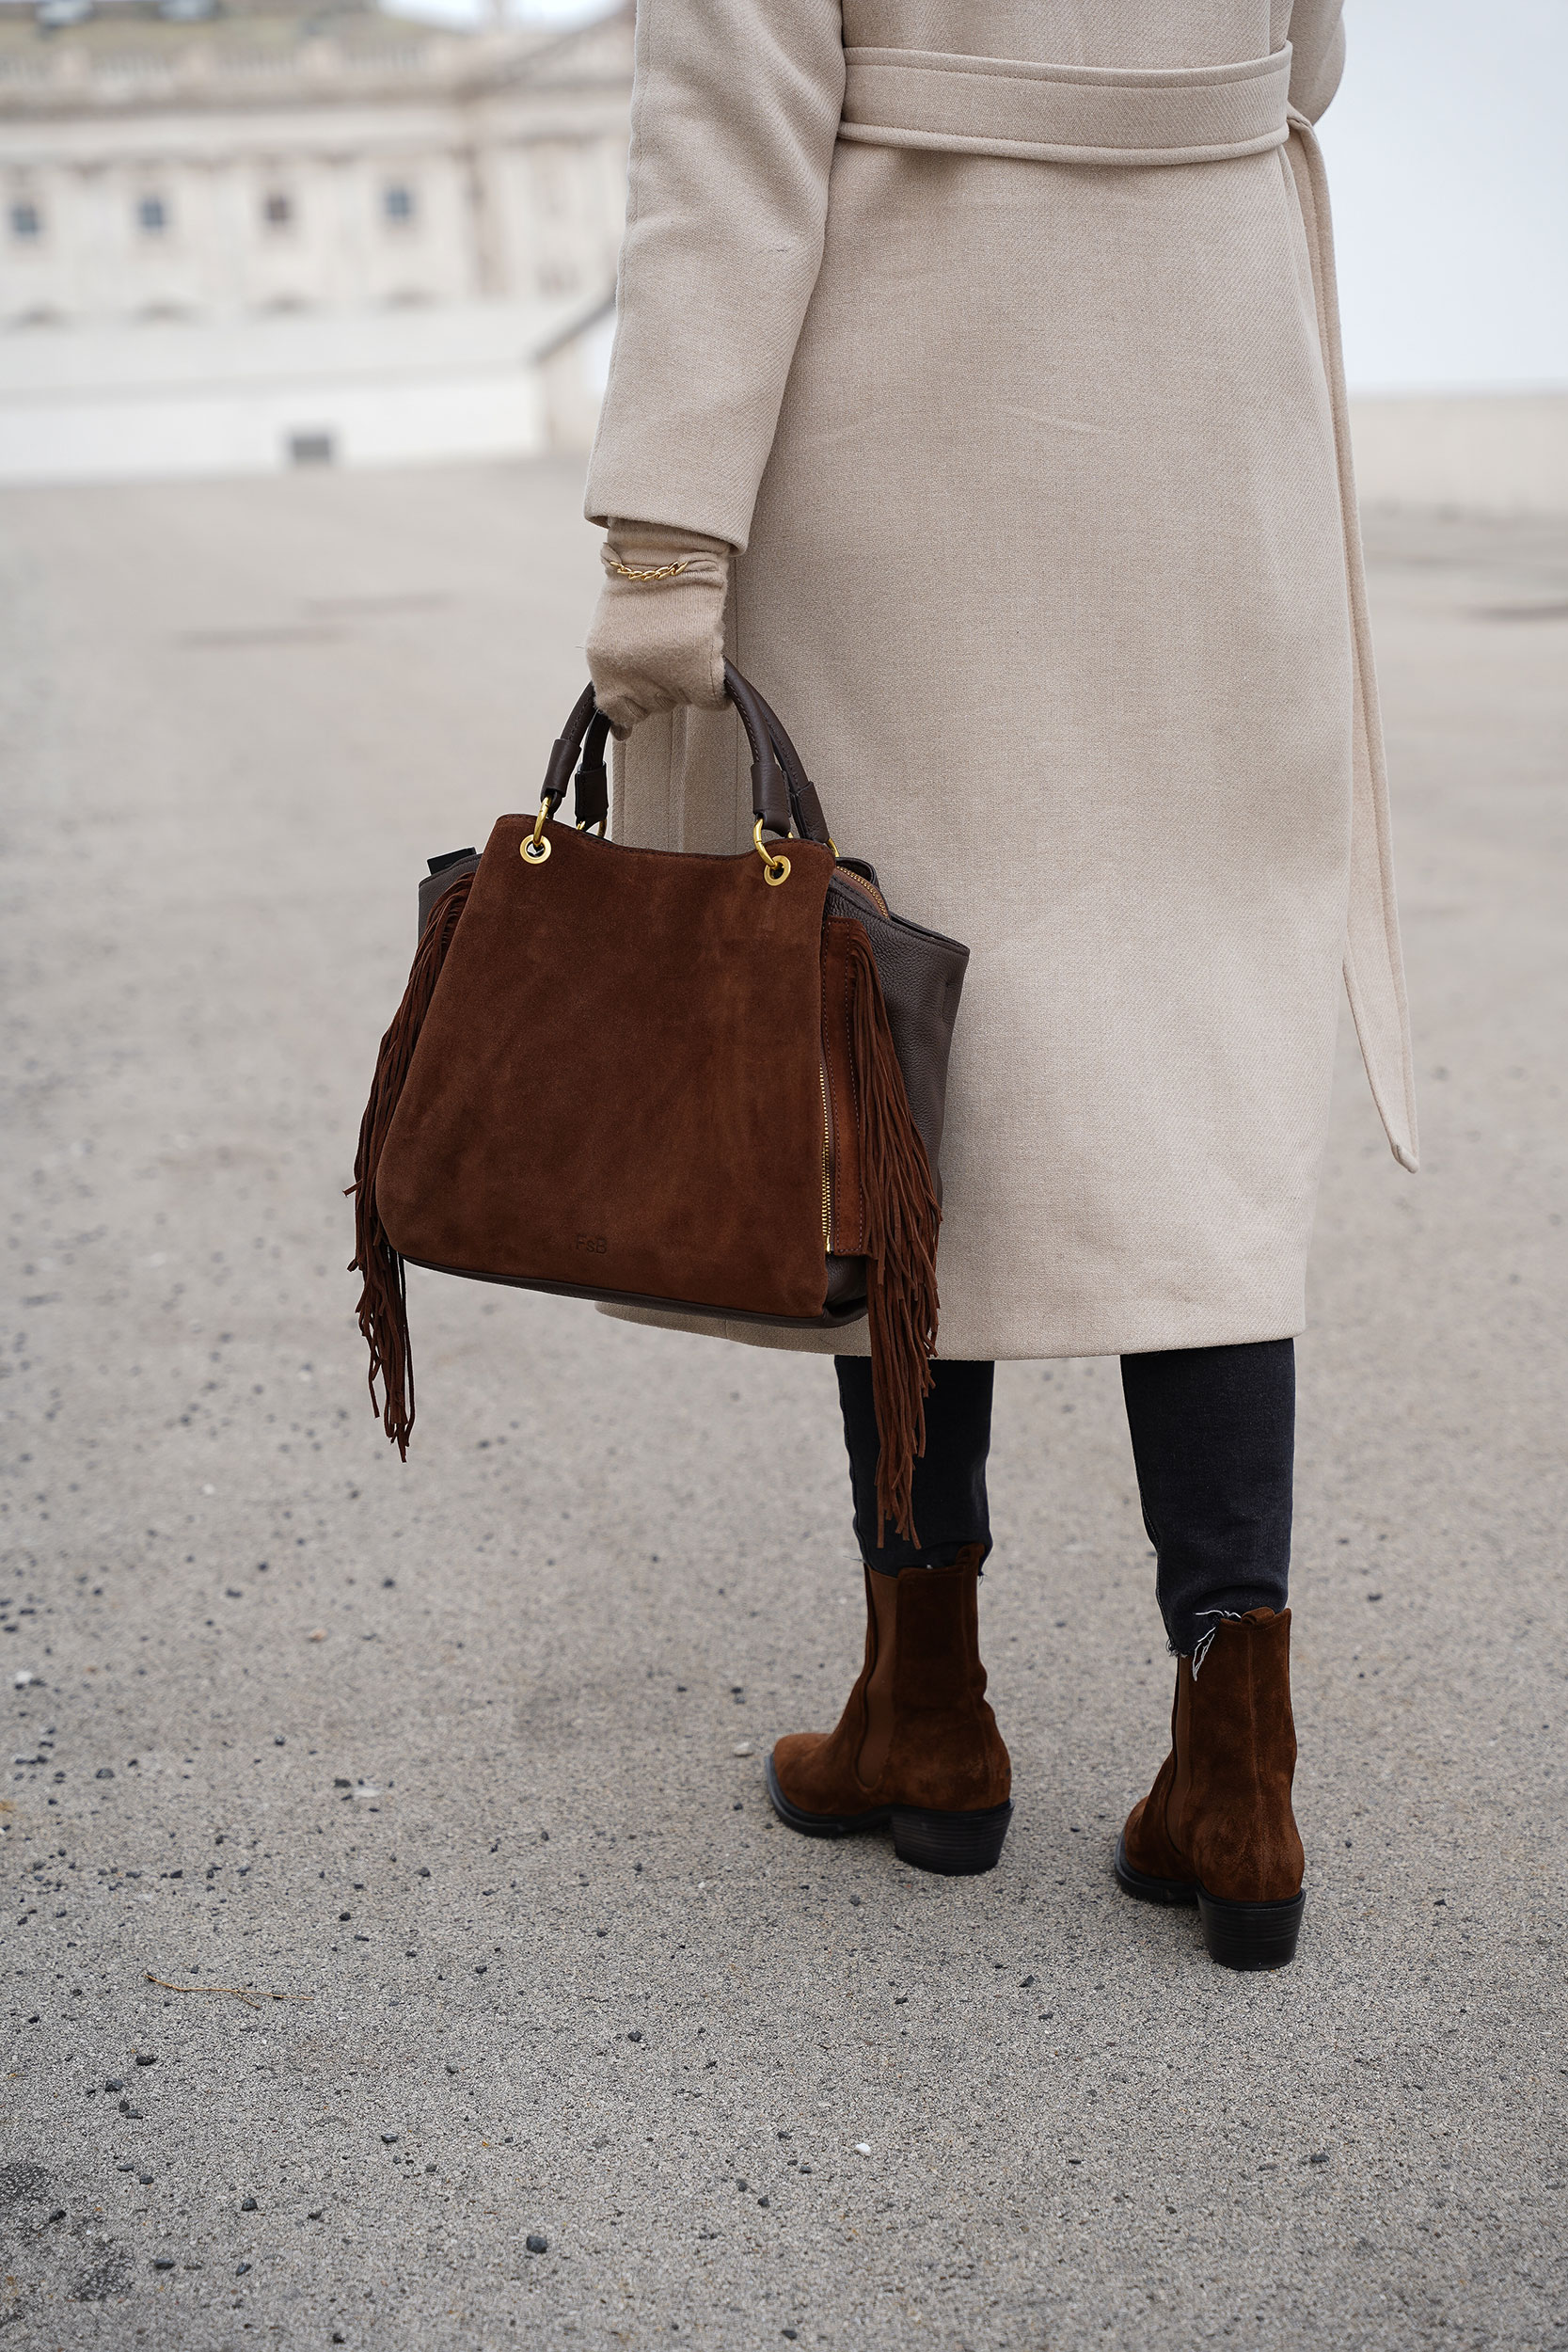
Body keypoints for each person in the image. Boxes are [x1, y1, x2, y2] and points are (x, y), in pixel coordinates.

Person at [580, 0, 1417, 1971]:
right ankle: (1238, 1749)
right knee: (1186, 1070)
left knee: (890, 1045)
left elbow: (727, 122)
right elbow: (1305, 73)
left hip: (910, 396)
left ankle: (929, 1702)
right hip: (1209, 394)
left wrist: (660, 544)